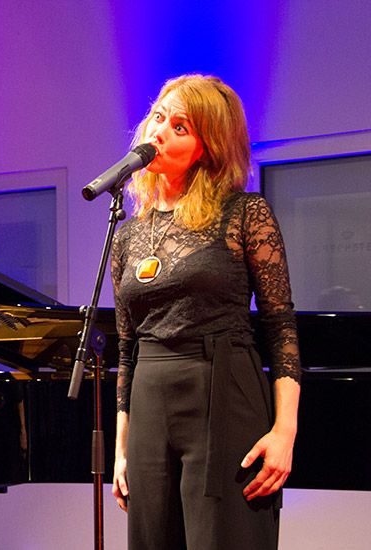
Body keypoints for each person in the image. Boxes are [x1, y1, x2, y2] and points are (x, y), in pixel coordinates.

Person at [109, 75, 301, 549]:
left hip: (222, 393)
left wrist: (285, 432)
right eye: (159, 117)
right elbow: (127, 347)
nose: (161, 131)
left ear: (208, 147)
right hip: (150, 402)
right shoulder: (127, 236)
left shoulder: (245, 214)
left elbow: (280, 328)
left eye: (181, 126)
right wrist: (121, 446)